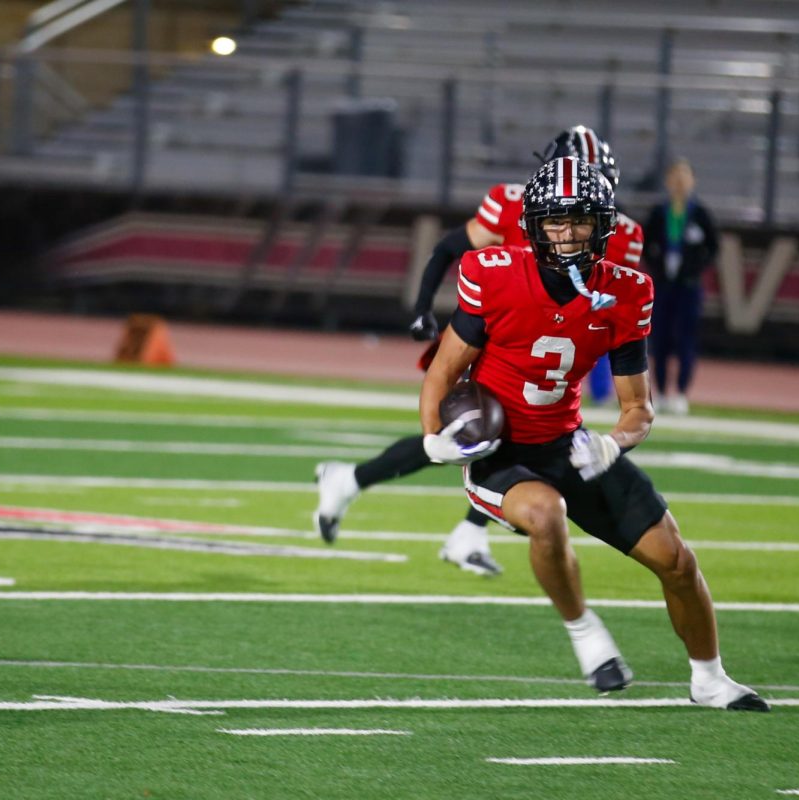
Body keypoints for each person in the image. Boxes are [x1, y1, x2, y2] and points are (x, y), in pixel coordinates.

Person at [419, 155, 768, 710]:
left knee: (676, 559)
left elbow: (638, 407)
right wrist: (433, 435)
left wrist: (612, 442)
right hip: (502, 451)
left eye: (581, 219)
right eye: (555, 220)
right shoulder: (494, 273)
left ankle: (710, 678)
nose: (567, 233)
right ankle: (586, 634)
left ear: (603, 224)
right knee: (546, 514)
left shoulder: (626, 292)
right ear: (533, 224)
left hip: (570, 444)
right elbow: (442, 368)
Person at [314, 126, 643, 578]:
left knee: (504, 435)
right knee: (478, 429)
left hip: (551, 348)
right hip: (493, 336)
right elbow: (452, 246)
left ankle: (366, 486)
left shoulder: (623, 233)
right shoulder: (512, 202)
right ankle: (391, 497)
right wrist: (423, 305)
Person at [642, 158, 718, 415]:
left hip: (688, 287)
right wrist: (657, 267)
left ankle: (682, 392)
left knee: (686, 340)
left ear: (693, 181)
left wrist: (695, 268)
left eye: (685, 177)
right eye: (675, 177)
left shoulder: (700, 214)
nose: (679, 182)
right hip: (663, 286)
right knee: (660, 338)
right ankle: (662, 392)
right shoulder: (658, 212)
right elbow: (645, 241)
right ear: (667, 181)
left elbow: (714, 247)